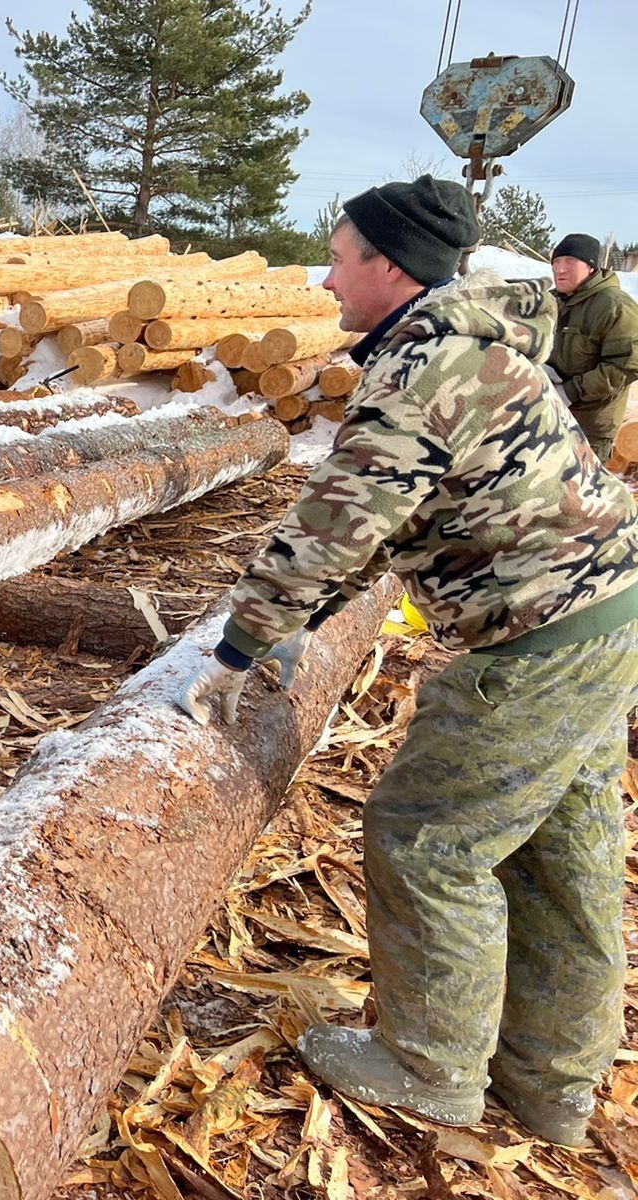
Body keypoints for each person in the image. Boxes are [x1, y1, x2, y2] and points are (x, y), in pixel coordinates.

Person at [177, 176, 638, 1147]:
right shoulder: (472, 346)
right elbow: (400, 520)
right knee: (562, 853)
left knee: (426, 838)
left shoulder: (421, 371)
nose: (328, 274)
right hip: (606, 616)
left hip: (538, 641)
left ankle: (428, 1068)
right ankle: (551, 1084)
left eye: (341, 256)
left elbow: (340, 522)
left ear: (389, 266)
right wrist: (308, 614)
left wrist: (239, 646)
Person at [546, 232, 638, 461]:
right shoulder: (550, 301)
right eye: (556, 262)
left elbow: (624, 367)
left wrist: (569, 391)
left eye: (569, 261)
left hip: (589, 427)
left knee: (579, 493)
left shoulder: (615, 306)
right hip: (548, 413)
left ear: (591, 267)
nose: (560, 269)